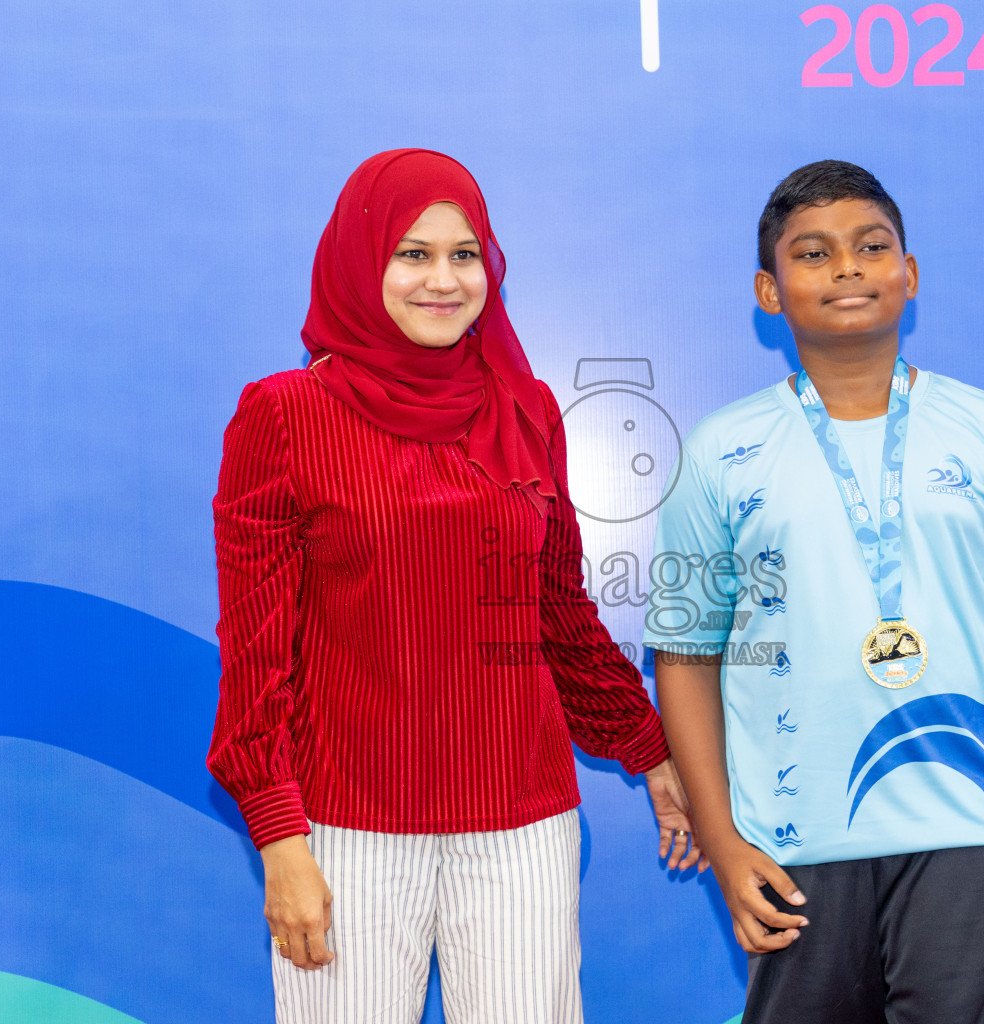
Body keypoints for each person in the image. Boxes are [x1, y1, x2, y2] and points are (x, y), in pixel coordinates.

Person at [207, 148, 700, 1024]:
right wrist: (281, 837)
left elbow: (559, 613)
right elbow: (256, 654)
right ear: (361, 262)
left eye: (463, 254)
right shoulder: (283, 415)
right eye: (413, 253)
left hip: (521, 821)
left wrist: (650, 748)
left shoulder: (528, 408)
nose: (443, 279)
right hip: (345, 827)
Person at [647, 160, 984, 1024]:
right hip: (792, 841)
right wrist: (726, 841)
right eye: (813, 253)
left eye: (870, 247)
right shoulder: (716, 450)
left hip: (972, 825)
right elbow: (684, 656)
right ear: (770, 293)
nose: (846, 268)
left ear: (910, 275)